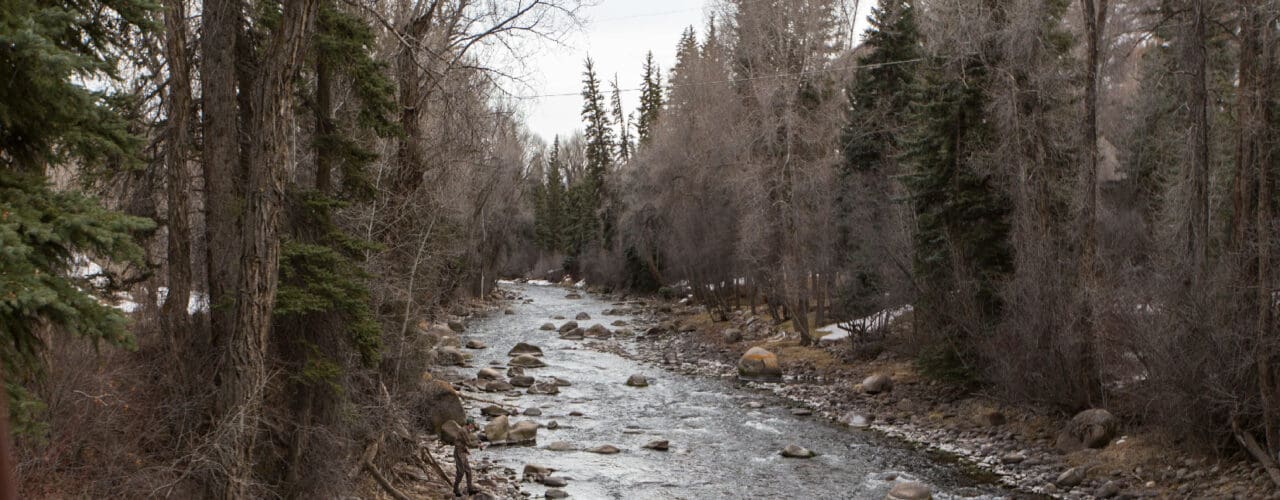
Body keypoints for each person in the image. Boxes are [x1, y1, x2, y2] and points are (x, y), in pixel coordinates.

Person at [451, 419, 477, 497]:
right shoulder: (464, 431)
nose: (473, 426)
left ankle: (470, 489)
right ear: (469, 424)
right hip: (458, 454)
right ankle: (455, 489)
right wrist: (478, 445)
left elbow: (462, 442)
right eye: (472, 424)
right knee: (461, 472)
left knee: (468, 471)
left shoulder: (466, 430)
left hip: (462, 452)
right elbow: (469, 443)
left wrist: (465, 450)